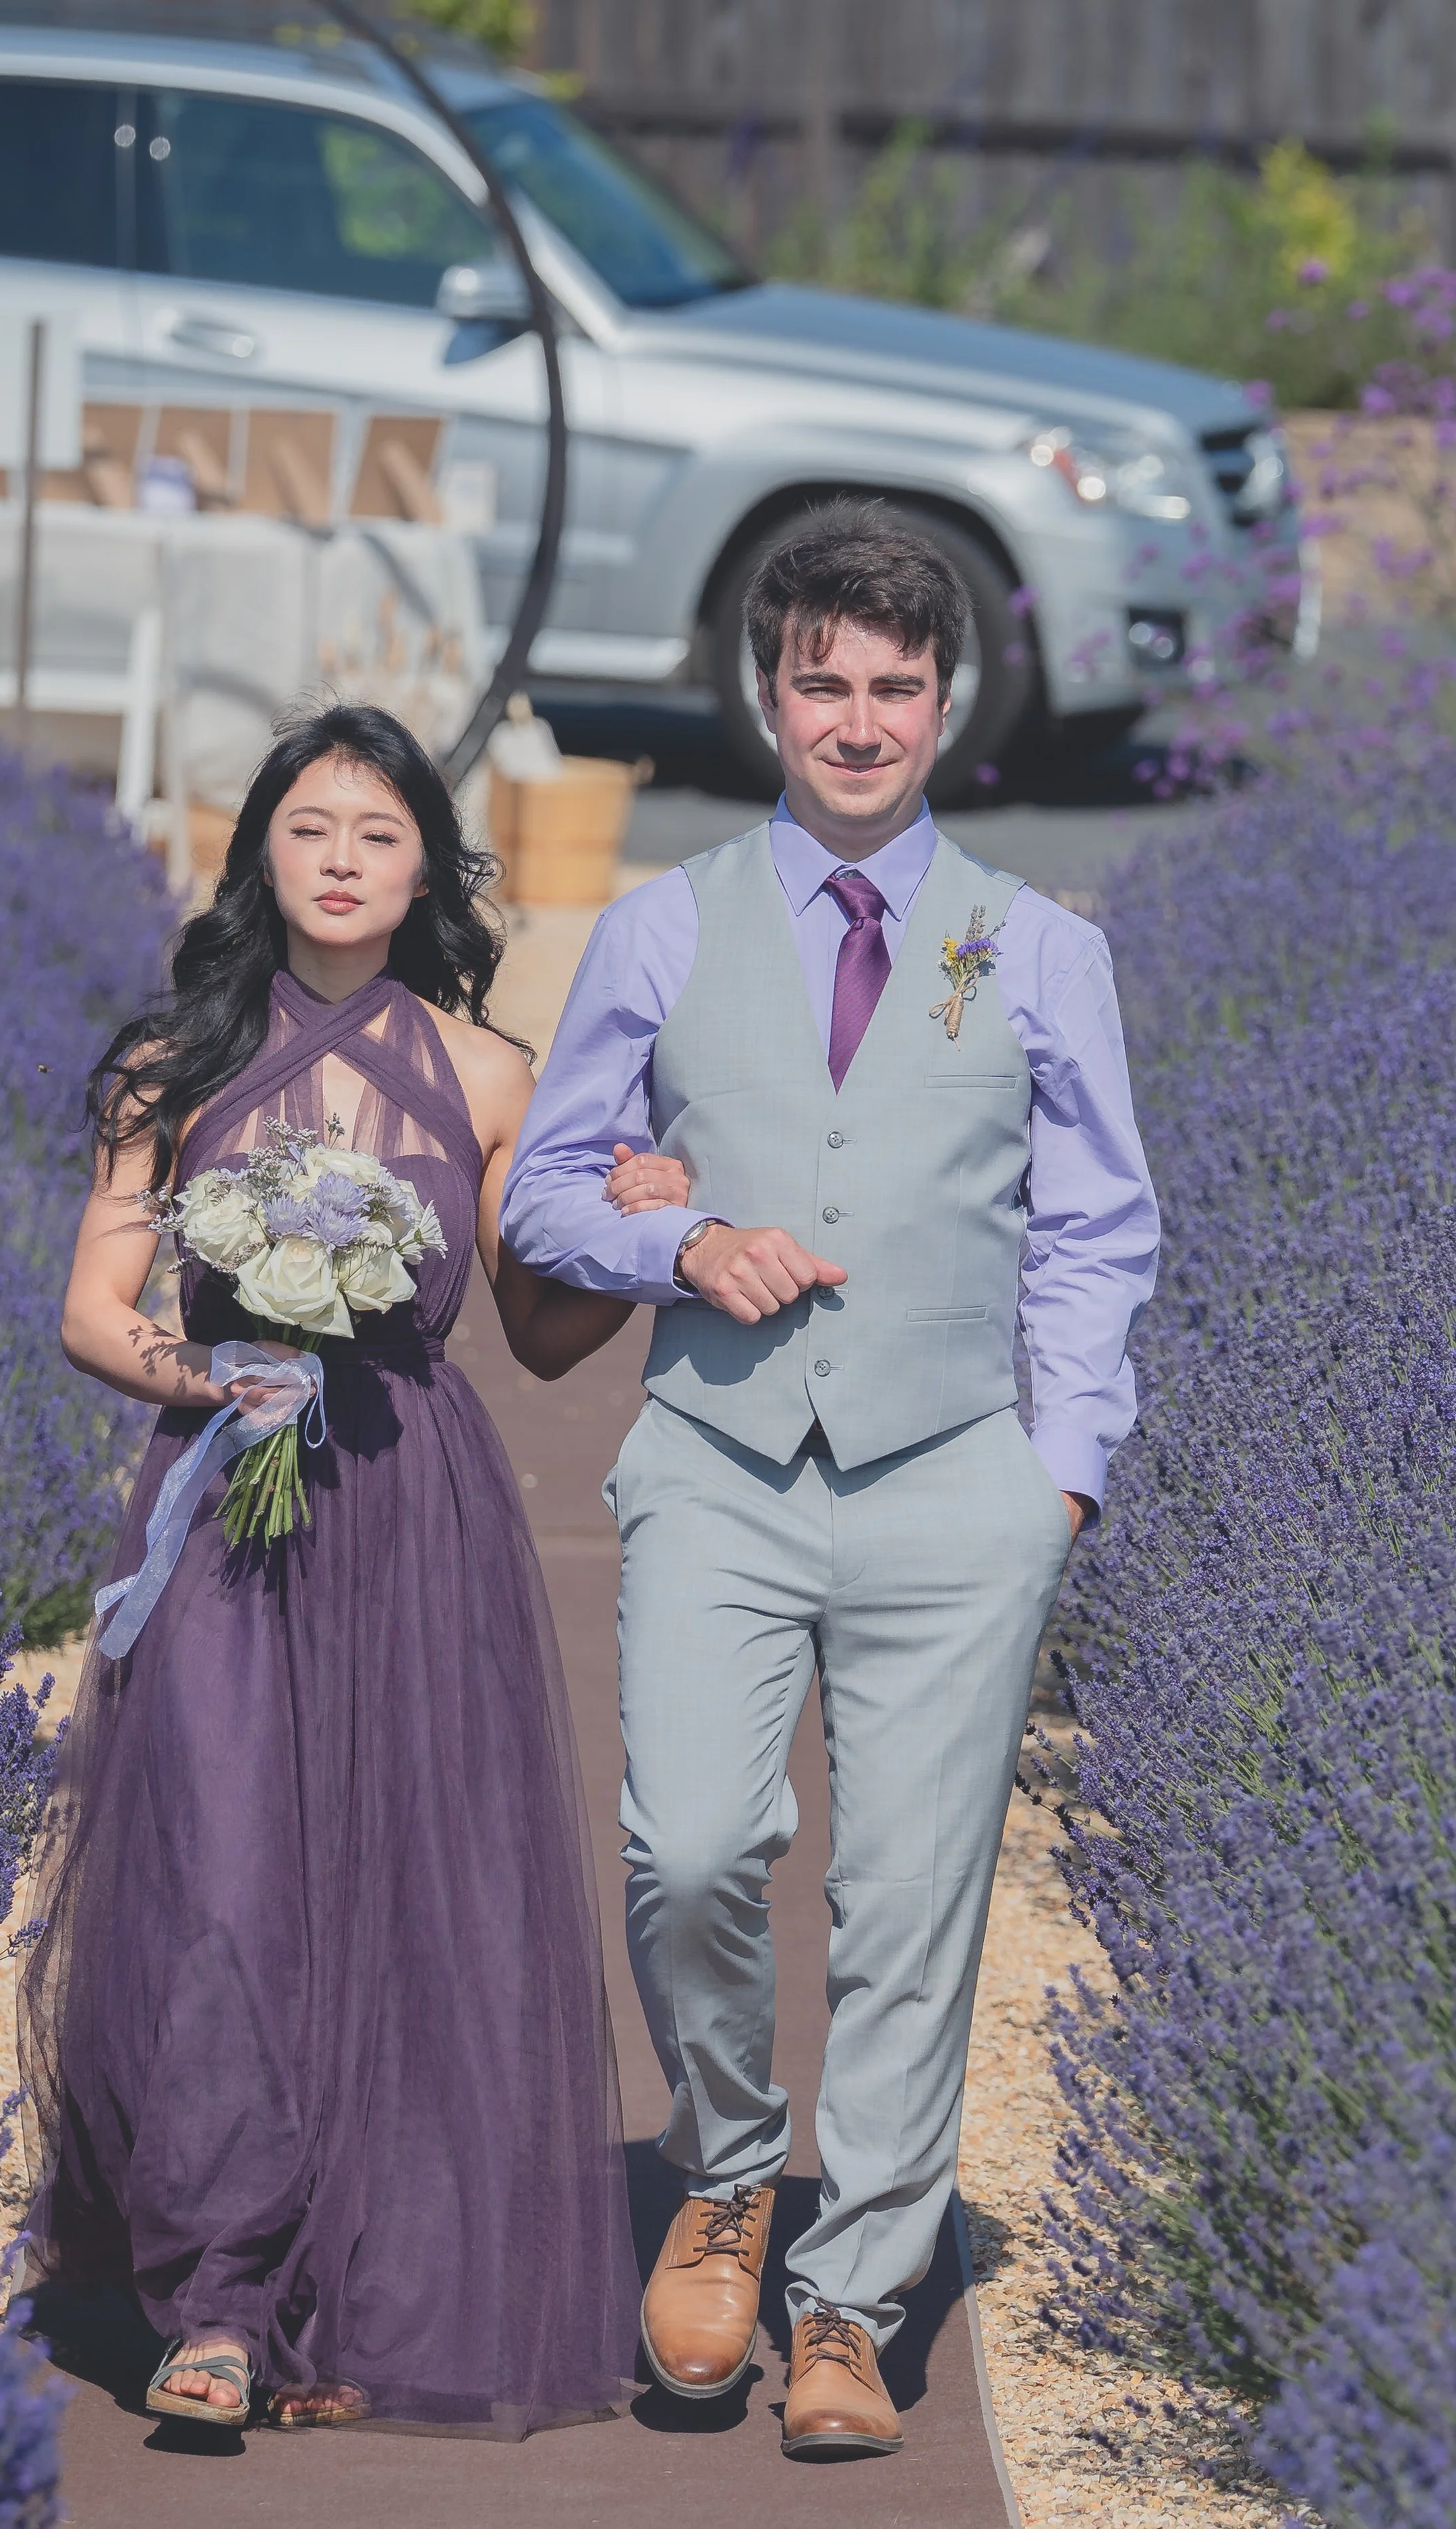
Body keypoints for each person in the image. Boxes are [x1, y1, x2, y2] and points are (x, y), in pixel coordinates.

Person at [501, 502, 1160, 2460]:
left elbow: (1096, 1227)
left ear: (942, 702)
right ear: (765, 691)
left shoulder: (1038, 947)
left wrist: (1059, 1472)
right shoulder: (662, 921)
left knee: (907, 1901)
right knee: (689, 1847)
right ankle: (721, 2172)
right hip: (713, 1458)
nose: (858, 720)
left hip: (957, 1476)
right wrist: (678, 1241)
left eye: (893, 685)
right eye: (823, 683)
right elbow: (547, 1184)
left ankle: (849, 2297)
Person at [20, 701, 683, 2435]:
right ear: (257, 853)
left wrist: (636, 1222)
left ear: (422, 870)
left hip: (412, 1507)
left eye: (375, 835)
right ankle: (218, 2300)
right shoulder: (171, 1067)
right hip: (226, 1489)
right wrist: (206, 1374)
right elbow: (95, 1307)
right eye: (308, 828)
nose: (337, 860)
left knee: (402, 1884)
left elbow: (541, 1338)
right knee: (225, 1880)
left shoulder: (484, 1076)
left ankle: (371, 2276)